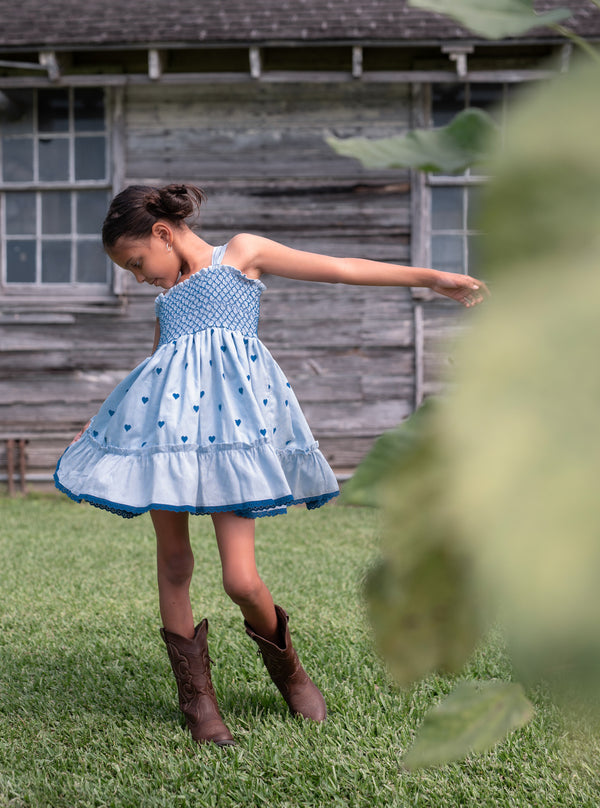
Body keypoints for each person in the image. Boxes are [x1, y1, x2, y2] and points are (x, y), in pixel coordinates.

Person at [54, 184, 488, 748]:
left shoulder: (240, 254)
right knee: (175, 562)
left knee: (241, 579)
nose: (139, 278)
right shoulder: (166, 302)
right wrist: (103, 423)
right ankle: (197, 700)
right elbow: (157, 371)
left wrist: (431, 278)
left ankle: (290, 671)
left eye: (137, 263)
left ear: (162, 233)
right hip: (167, 445)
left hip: (234, 442)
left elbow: (340, 268)